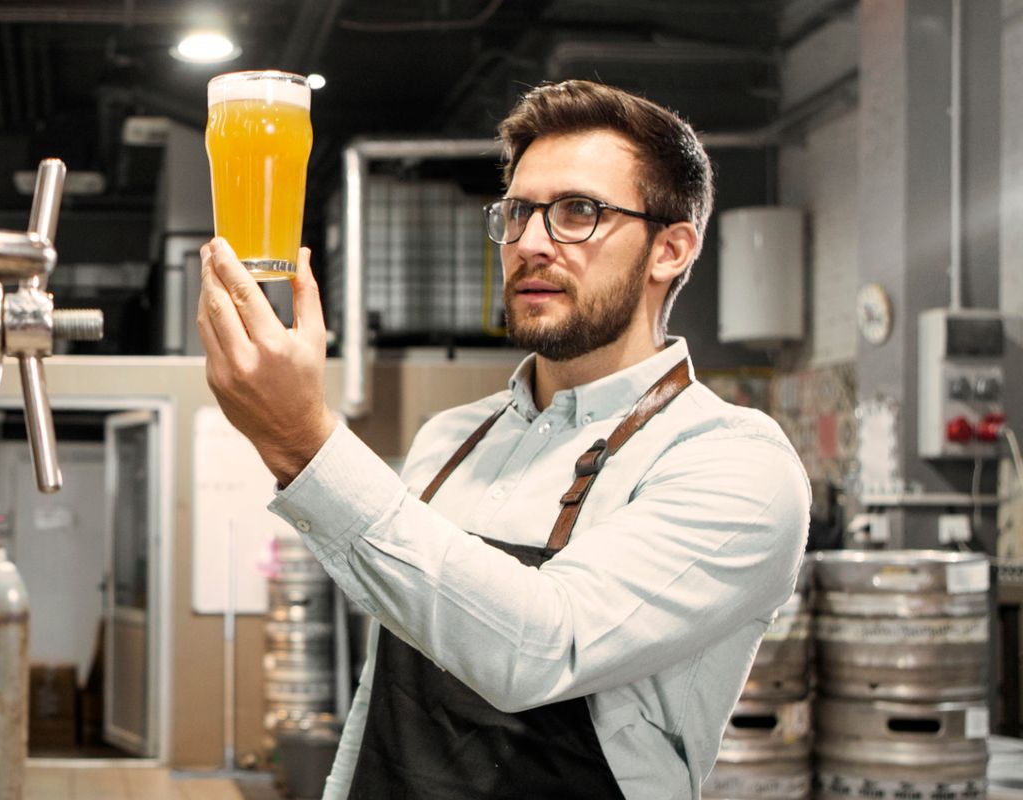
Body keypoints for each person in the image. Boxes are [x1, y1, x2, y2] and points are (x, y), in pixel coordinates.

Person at [197, 80, 809, 799]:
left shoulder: (731, 462)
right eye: (517, 213)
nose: (530, 243)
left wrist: (306, 444)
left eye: (578, 212)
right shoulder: (452, 438)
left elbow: (543, 649)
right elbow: (381, 692)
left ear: (670, 248)